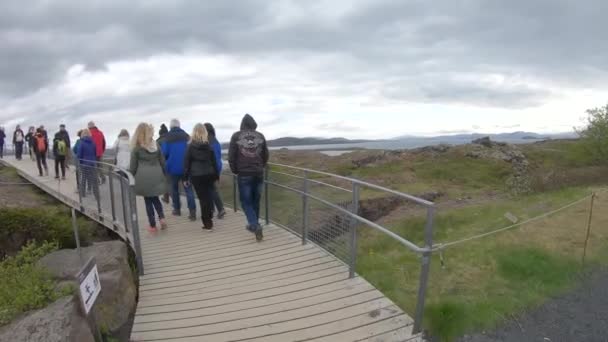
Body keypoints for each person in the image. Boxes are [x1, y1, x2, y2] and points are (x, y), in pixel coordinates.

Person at [229, 114, 269, 242]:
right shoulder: (260, 136)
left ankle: (255, 225)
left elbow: (231, 156)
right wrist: (261, 166)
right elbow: (265, 154)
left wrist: (235, 170)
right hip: (258, 172)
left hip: (244, 173)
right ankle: (254, 225)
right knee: (255, 200)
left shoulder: (236, 136)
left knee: (246, 202)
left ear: (242, 124)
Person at [130, 123, 168, 233]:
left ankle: (152, 225)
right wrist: (165, 175)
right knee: (155, 198)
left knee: (148, 201)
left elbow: (133, 167)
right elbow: (162, 162)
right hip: (157, 174)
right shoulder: (155, 145)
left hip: (143, 177)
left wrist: (130, 178)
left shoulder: (137, 149)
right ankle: (161, 218)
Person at [185, 124, 219, 230]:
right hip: (209, 174)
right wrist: (216, 175)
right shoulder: (209, 146)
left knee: (202, 198)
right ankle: (209, 215)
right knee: (209, 196)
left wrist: (185, 178)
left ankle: (207, 222)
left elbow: (187, 163)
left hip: (197, 175)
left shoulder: (190, 147)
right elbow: (214, 162)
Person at [161, 119, 197, 220]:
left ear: (170, 127)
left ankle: (177, 210)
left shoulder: (167, 137)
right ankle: (192, 212)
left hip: (172, 168)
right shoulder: (186, 136)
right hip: (186, 168)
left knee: (174, 189)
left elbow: (164, 153)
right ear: (179, 126)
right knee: (189, 189)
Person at [204, 122, 226, 219]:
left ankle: (219, 209)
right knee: (212, 188)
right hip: (217, 167)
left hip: (209, 168)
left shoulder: (206, 141)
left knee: (211, 190)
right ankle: (215, 209)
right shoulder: (216, 141)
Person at [77, 129, 99, 200]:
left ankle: (83, 193)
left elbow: (79, 154)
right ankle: (96, 194)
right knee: (93, 179)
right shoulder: (93, 142)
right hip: (92, 163)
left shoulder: (81, 143)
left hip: (84, 164)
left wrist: (80, 161)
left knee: (83, 178)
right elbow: (95, 153)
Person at [156, 124, 170, 204]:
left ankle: (166, 197)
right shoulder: (171, 139)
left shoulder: (158, 141)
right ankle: (175, 199)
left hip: (162, 164)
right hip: (172, 162)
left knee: (165, 181)